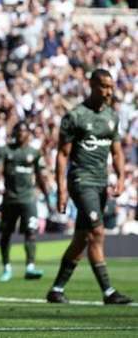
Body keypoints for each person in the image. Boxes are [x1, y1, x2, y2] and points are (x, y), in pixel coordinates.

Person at [46, 69, 132, 305]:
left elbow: (116, 151)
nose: (108, 92)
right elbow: (62, 155)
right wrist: (61, 189)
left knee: (82, 238)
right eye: (104, 86)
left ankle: (56, 289)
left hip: (101, 183)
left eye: (111, 87)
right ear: (92, 85)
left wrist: (122, 177)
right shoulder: (75, 116)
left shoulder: (112, 117)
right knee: (97, 232)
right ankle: (108, 292)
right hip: (81, 180)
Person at [0, 122, 50, 282]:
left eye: (24, 131)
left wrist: (47, 196)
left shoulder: (34, 153)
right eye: (18, 131)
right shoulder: (5, 151)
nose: (21, 134)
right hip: (10, 199)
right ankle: (6, 268)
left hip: (28, 199)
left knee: (31, 232)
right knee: (6, 234)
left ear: (28, 134)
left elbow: (40, 177)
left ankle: (30, 267)